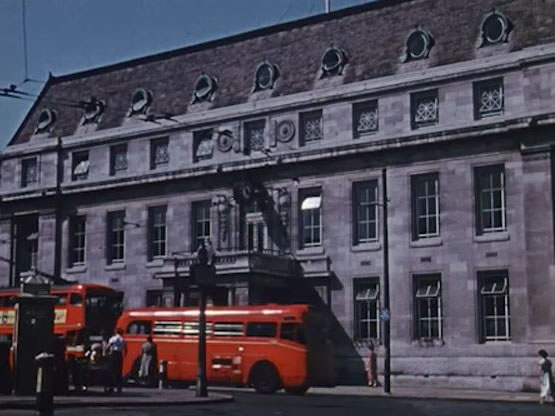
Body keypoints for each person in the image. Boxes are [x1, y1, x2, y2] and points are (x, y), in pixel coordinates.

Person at [107, 328, 127, 393]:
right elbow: (126, 349)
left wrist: (107, 352)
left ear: (116, 332)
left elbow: (109, 346)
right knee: (119, 371)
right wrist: (124, 356)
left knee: (112, 371)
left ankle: (111, 387)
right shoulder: (123, 339)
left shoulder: (113, 338)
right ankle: (119, 387)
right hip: (119, 355)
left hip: (114, 354)